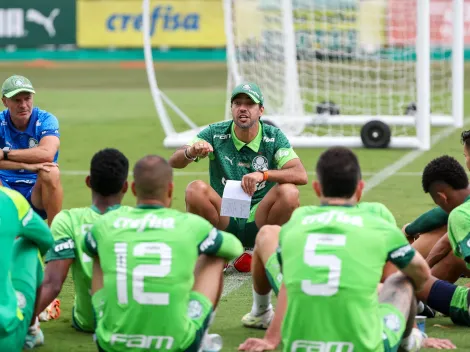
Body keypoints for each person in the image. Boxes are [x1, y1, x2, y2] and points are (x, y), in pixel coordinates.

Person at [239, 146, 434, 352]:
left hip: (302, 340)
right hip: (364, 343)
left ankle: (260, 311)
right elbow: (420, 274)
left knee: (268, 234)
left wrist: (271, 339)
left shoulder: (298, 220)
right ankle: (410, 338)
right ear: (359, 188)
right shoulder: (379, 220)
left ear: (317, 189)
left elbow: (289, 281)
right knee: (401, 281)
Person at [82, 155, 244, 352]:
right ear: (170, 189)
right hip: (178, 344)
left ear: (133, 189)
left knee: (97, 250)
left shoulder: (107, 223)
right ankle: (202, 336)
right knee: (215, 254)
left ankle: (102, 320)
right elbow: (235, 248)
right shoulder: (190, 224)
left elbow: (86, 245)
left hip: (110, 344)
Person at [168, 82, 308, 255]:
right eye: (238, 103)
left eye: (249, 104)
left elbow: (300, 174)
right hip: (226, 215)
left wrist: (263, 175)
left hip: (260, 217)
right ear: (231, 108)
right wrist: (191, 151)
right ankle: (213, 249)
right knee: (194, 189)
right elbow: (174, 161)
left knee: (289, 192)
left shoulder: (273, 136)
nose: (243, 108)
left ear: (261, 110)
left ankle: (268, 251)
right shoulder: (215, 133)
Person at [27, 148, 131, 346]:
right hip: (136, 321)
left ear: (88, 182)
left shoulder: (69, 220)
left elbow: (53, 284)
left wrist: (22, 324)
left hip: (89, 322)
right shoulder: (139, 220)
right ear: (125, 187)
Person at [0, 74, 62, 226]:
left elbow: (47, 154)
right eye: (17, 100)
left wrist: (5, 154)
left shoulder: (46, 119)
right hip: (5, 189)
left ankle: (55, 238)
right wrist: (26, 165)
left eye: (27, 98)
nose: (23, 105)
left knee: (52, 172)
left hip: (36, 191)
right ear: (5, 101)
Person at [0, 187, 54, 351]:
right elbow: (46, 239)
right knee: (30, 245)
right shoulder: (11, 200)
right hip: (5, 337)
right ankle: (32, 330)